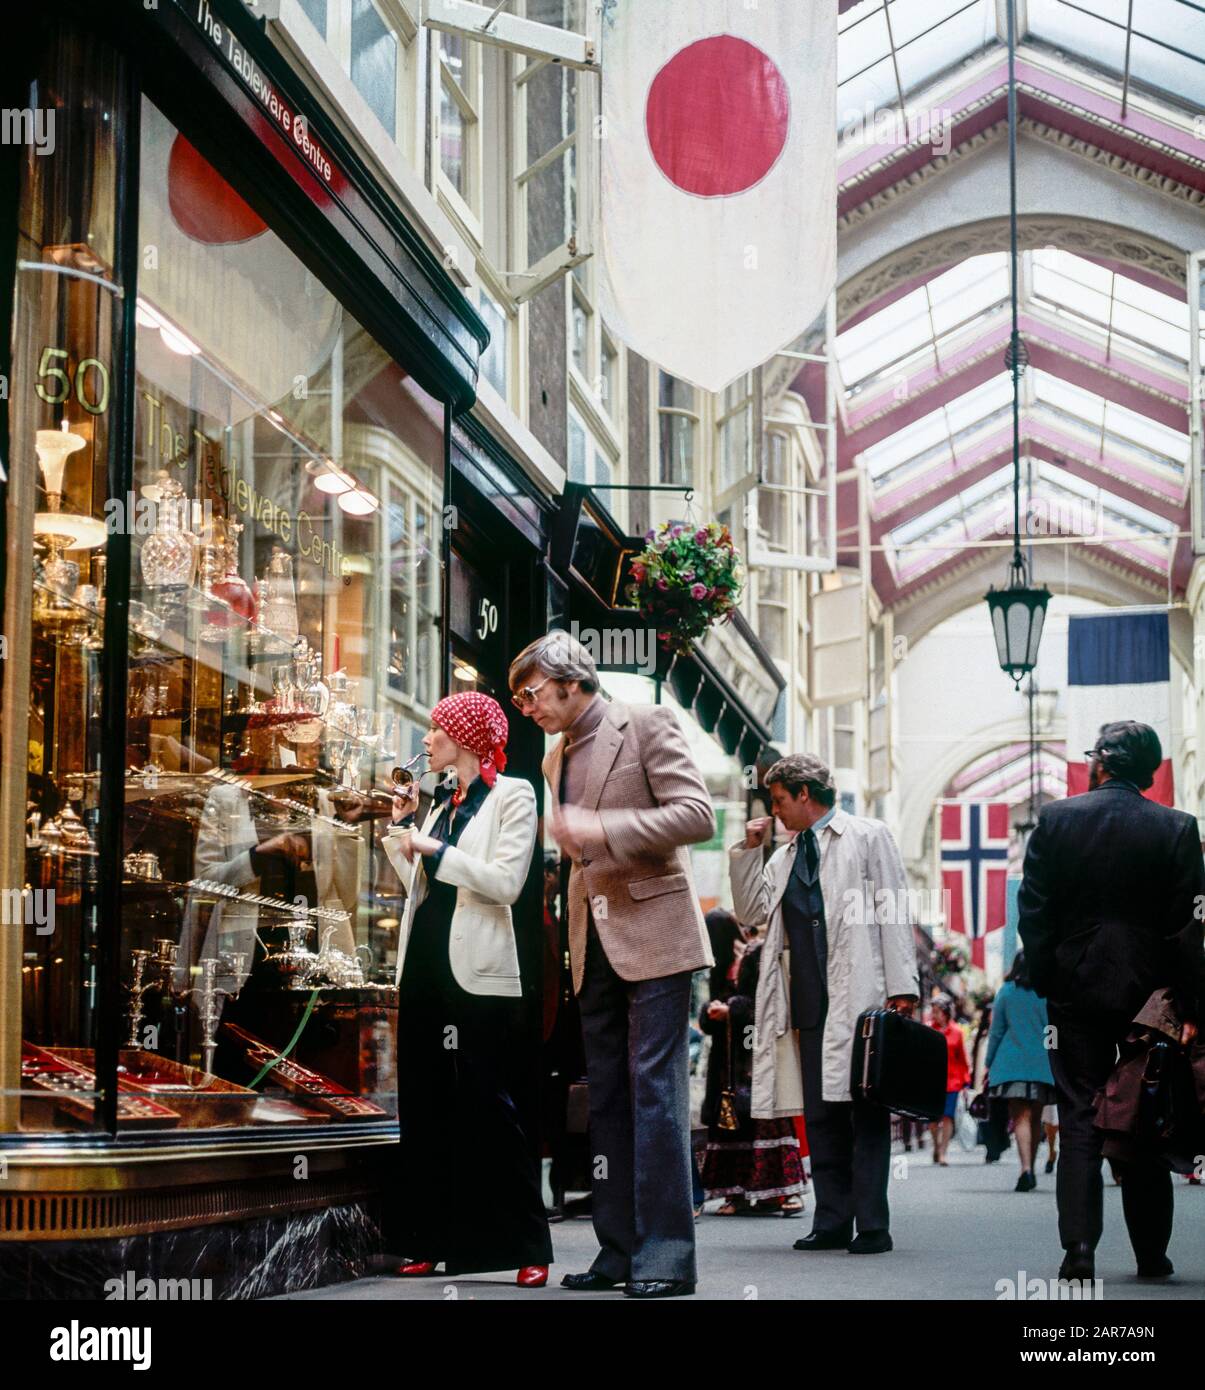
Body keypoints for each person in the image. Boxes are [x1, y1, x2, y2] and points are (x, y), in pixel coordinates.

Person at [510, 631, 715, 1299]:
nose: (525, 707)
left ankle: (666, 1257)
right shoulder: (552, 759)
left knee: (653, 1094)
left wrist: (601, 830)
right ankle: (617, 1250)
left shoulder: (649, 722)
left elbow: (695, 815)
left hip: (654, 932)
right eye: (517, 697)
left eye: (532, 692)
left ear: (571, 681)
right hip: (589, 942)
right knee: (606, 1100)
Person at [1018, 719, 1205, 1282]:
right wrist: (1192, 1008)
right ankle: (1151, 1253)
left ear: (1098, 764)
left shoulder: (1055, 820)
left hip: (1075, 994)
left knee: (1079, 1118)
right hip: (1150, 1000)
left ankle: (1079, 1248)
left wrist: (1051, 976)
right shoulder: (1176, 828)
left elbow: (1034, 912)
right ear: (1149, 773)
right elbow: (1187, 929)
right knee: (1143, 1116)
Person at [380, 691, 552, 1287]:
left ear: (467, 740)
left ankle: (527, 1244)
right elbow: (419, 885)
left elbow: (506, 883)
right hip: (426, 962)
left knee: (488, 1102)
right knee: (426, 1104)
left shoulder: (516, 794)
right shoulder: (439, 805)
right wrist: (404, 829)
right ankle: (429, 1238)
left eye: (436, 731)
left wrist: (436, 848)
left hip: (478, 972)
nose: (426, 740)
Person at [729, 753, 919, 1256]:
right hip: (807, 1004)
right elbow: (749, 914)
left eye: (778, 801)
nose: (775, 813)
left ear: (804, 794)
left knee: (865, 1112)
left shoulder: (868, 836)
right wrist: (749, 852)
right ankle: (831, 1220)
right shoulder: (784, 856)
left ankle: (873, 1225)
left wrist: (903, 986)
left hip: (862, 1000)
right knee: (821, 1117)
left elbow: (894, 910)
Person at [698, 910, 806, 1216]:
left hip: (757, 1057)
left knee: (765, 1122)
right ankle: (738, 1194)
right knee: (732, 1124)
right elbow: (709, 1012)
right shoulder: (719, 967)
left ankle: (784, 1193)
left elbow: (768, 1005)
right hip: (727, 1062)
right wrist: (712, 1012)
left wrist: (732, 1008)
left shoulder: (758, 957)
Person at [983, 951, 1056, 1192]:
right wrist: (1054, 1056)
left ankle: (1025, 1169)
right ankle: (1031, 1167)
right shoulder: (1048, 993)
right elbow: (1053, 1029)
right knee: (1035, 1118)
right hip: (1041, 1064)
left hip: (1011, 1063)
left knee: (1020, 1118)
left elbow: (996, 1031)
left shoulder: (1006, 991)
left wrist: (988, 1062)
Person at [927, 997, 971, 1167]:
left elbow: (962, 1059)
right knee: (932, 1119)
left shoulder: (957, 1032)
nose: (934, 1015)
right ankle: (936, 1146)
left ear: (945, 1013)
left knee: (947, 1117)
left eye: (937, 1011)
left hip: (952, 1081)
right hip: (933, 1080)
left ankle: (944, 1151)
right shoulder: (930, 1030)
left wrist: (965, 1082)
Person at [971, 1001, 1011, 1164]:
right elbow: (976, 1058)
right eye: (990, 1014)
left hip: (997, 1079)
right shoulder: (981, 1036)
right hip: (982, 1081)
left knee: (998, 1114)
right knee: (985, 1115)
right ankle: (991, 1146)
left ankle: (998, 1144)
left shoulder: (1003, 1035)